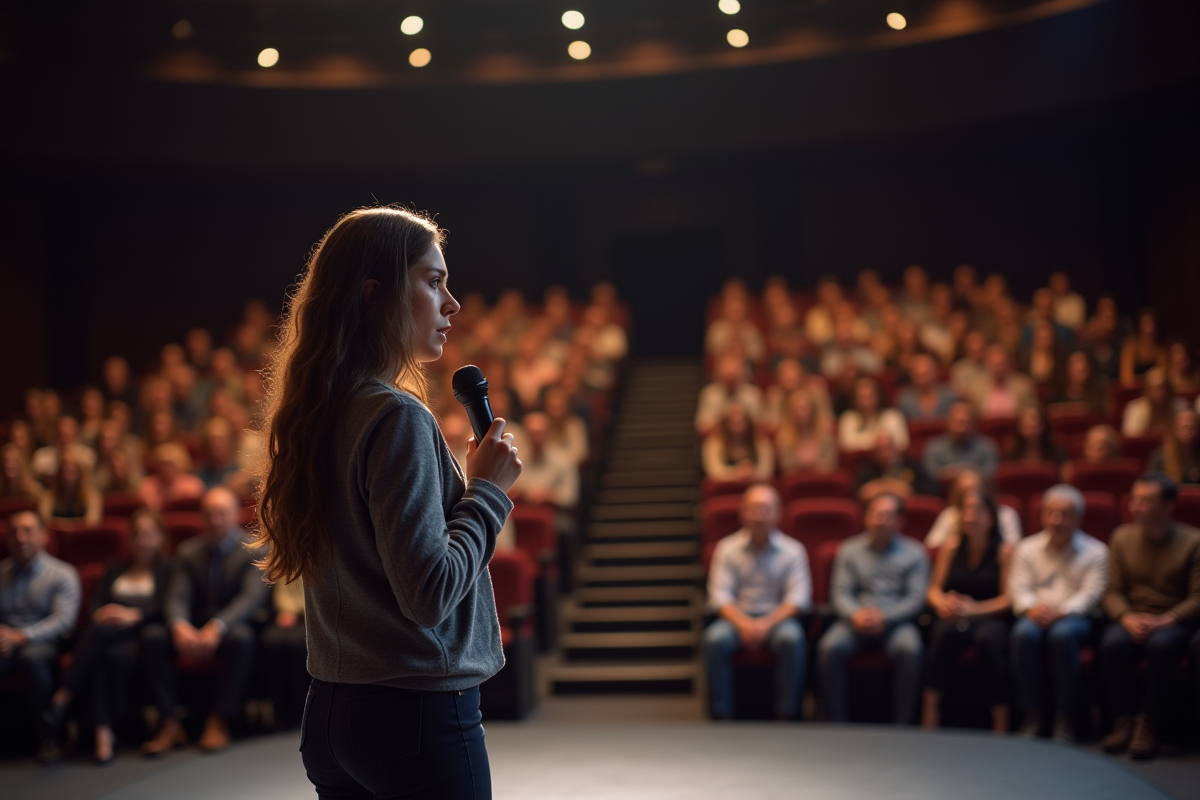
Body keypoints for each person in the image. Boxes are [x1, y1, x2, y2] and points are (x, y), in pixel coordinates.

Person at [251, 207, 521, 799]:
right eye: (433, 281)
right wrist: (488, 494)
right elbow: (427, 595)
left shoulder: (318, 412)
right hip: (413, 716)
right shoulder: (394, 416)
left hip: (332, 713)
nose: (451, 303)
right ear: (376, 295)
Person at [140, 487, 270, 754]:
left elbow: (250, 599)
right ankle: (169, 722)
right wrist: (179, 625)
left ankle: (219, 720)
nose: (215, 520)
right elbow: (176, 597)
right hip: (194, 629)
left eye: (221, 513)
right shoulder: (189, 551)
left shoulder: (253, 550)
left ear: (235, 514)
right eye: (209, 514)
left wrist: (218, 626)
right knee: (153, 636)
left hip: (229, 629)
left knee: (243, 638)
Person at [45, 509, 173, 763]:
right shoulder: (115, 568)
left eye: (148, 534)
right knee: (102, 646)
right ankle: (104, 737)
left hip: (140, 640)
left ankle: (64, 696)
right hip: (108, 636)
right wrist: (106, 613)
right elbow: (95, 608)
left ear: (159, 538)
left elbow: (165, 609)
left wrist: (134, 616)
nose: (142, 540)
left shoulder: (168, 569)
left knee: (102, 646)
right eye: (137, 534)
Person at [1100, 473, 1200, 759]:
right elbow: (1112, 592)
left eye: (1146, 501)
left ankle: (1148, 724)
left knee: (1162, 646)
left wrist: (1167, 619)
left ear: (1168, 506)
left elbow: (1197, 597)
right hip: (1133, 617)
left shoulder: (1193, 542)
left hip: (1172, 620)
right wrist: (1126, 617)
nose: (1136, 507)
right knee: (1112, 643)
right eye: (1135, 500)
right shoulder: (1122, 537)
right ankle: (1124, 721)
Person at [818, 493, 929, 724]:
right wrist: (855, 615)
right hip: (855, 619)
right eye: (875, 514)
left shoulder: (915, 553)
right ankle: (836, 723)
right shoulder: (849, 550)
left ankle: (904, 725)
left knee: (910, 649)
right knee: (830, 648)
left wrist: (885, 617)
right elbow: (840, 594)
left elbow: (916, 600)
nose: (880, 520)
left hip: (896, 621)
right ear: (866, 518)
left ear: (900, 521)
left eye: (887, 516)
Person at [703, 484, 811, 720]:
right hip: (737, 619)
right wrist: (744, 624)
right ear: (743, 513)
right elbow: (719, 596)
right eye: (754, 509)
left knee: (792, 638)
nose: (759, 516)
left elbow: (798, 598)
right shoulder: (726, 549)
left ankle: (788, 712)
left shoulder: (793, 551)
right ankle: (721, 714)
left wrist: (767, 623)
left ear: (778, 513)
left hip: (777, 619)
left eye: (766, 509)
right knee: (714, 639)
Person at [1009, 485, 1107, 742]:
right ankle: (1032, 714)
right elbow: (1018, 588)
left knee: (1062, 636)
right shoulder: (1027, 548)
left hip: (1075, 619)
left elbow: (1092, 594)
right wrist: (1032, 607)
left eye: (1064, 514)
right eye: (1051, 513)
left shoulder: (1096, 552)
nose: (1057, 520)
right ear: (1042, 516)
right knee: (1022, 634)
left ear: (1078, 518)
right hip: (1036, 614)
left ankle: (1066, 718)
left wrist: (1062, 612)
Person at [921, 490, 1013, 733]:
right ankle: (930, 710)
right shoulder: (951, 546)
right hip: (955, 614)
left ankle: (1000, 717)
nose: (970, 516)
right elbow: (933, 589)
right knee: (943, 634)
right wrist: (942, 603)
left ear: (991, 517)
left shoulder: (1004, 551)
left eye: (977, 510)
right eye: (966, 510)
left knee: (987, 640)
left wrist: (973, 610)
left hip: (989, 615)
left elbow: (1008, 600)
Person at [0, 510, 81, 763]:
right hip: (5, 643)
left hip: (43, 642)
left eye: (28, 531)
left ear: (44, 536)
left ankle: (50, 737)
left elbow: (63, 621)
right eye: (14, 533)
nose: (21, 538)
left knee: (31, 658)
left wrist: (22, 636)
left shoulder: (62, 573)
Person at [925, 469, 1023, 548]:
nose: (970, 497)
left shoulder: (1006, 514)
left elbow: (1014, 547)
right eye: (964, 492)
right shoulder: (950, 514)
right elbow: (932, 546)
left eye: (974, 490)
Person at [261, 577, 308, 731]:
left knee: (296, 645)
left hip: (306, 616)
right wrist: (285, 611)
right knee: (271, 643)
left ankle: (300, 712)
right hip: (282, 615)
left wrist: (296, 612)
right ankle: (279, 714)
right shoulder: (283, 558)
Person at [922, 400, 1000, 483]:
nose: (960, 428)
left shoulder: (987, 448)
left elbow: (989, 478)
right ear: (948, 421)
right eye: (957, 421)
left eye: (965, 422)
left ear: (974, 423)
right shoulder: (934, 448)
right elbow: (930, 478)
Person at [695, 353, 765, 437]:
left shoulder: (753, 394)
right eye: (728, 377)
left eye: (734, 376)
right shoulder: (709, 394)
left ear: (742, 374)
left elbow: (761, 425)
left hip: (748, 441)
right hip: (718, 440)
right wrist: (728, 423)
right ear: (719, 375)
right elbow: (702, 427)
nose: (731, 381)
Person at [702, 402, 775, 482]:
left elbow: (766, 472)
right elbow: (714, 472)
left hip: (755, 486)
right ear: (724, 424)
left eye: (741, 422)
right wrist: (737, 473)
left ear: (749, 422)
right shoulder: (713, 442)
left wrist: (750, 473)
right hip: (727, 487)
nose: (737, 427)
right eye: (733, 423)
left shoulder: (761, 441)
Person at [854, 432, 935, 504]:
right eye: (880, 449)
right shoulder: (867, 467)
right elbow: (862, 494)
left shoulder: (913, 465)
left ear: (896, 447)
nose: (884, 453)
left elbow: (931, 491)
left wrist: (878, 488)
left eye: (887, 447)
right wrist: (897, 487)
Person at [837, 376, 908, 454]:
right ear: (854, 398)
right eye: (862, 397)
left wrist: (864, 442)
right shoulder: (848, 418)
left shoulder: (893, 416)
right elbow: (846, 445)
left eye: (870, 396)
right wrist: (877, 441)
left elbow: (902, 443)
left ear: (878, 396)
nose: (866, 401)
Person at [774, 389, 837, 475]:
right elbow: (787, 469)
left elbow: (830, 465)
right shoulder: (783, 438)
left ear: (813, 410)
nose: (801, 414)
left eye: (804, 409)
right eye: (797, 410)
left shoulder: (825, 435)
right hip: (797, 484)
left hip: (822, 481)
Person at [968, 345, 1037, 420]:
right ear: (987, 364)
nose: (998, 368)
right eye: (995, 364)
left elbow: (1032, 411)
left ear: (1008, 363)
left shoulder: (1023, 385)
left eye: (1001, 363)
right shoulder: (976, 389)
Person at [138, 442, 205, 512]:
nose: (166, 468)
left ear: (180, 464)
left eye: (170, 464)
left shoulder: (192, 484)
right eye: (162, 464)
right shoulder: (148, 485)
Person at [39, 454, 102, 526]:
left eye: (73, 471)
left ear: (80, 474)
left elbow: (92, 523)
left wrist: (62, 524)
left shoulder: (92, 496)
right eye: (65, 471)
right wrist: (74, 524)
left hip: (83, 535)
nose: (68, 476)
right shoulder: (48, 495)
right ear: (59, 473)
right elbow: (45, 522)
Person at [1122, 368, 1186, 437]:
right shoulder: (1135, 409)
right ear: (1147, 390)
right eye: (1153, 389)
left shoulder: (1181, 407)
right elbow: (1130, 437)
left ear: (1169, 388)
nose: (1159, 393)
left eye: (1162, 387)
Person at [895, 354, 958, 422]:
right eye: (918, 375)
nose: (923, 380)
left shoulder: (950, 395)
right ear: (911, 375)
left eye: (926, 374)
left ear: (935, 372)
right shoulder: (904, 399)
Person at [1147, 409, 1200, 485]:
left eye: (1191, 428)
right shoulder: (1160, 458)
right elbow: (1152, 487)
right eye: (1183, 428)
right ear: (1174, 430)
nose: (1187, 432)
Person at [1120, 308, 1167, 388]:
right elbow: (1126, 379)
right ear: (1139, 326)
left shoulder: (1161, 348)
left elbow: (1163, 376)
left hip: (1157, 392)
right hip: (1134, 390)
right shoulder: (1131, 345)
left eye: (1152, 323)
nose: (1150, 329)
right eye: (1146, 324)